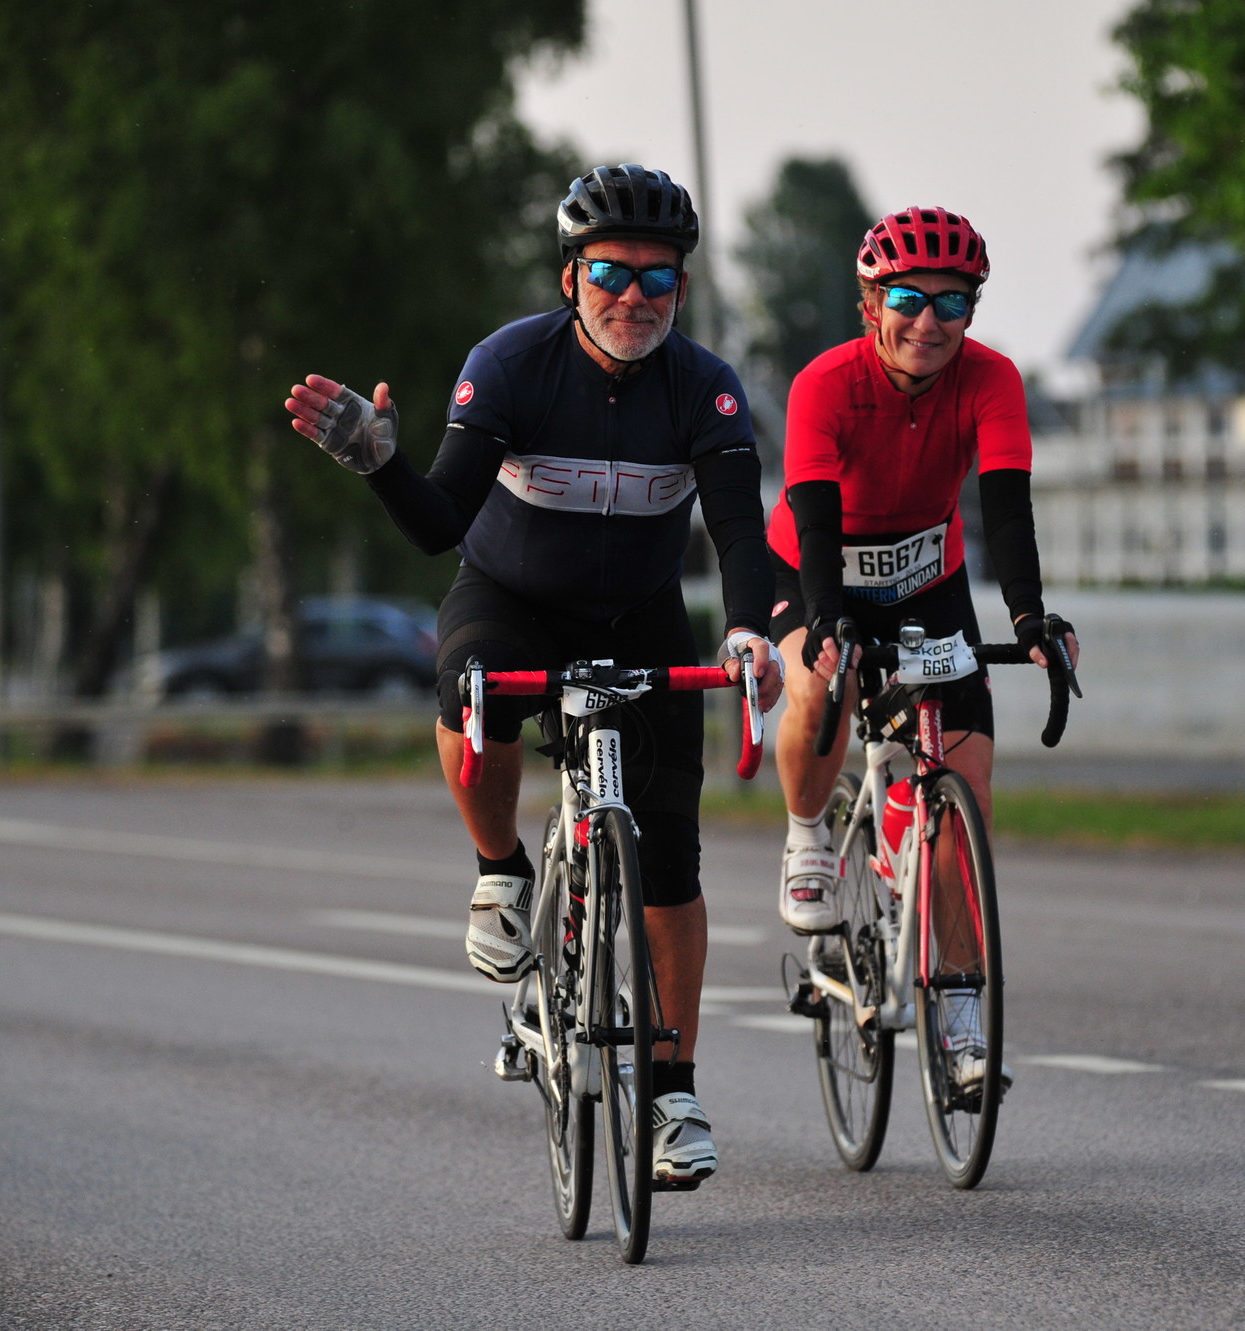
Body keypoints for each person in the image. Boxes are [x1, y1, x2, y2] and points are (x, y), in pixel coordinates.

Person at [284, 164, 781, 1190]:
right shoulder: (510, 364)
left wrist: (746, 632)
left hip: (640, 613)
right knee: (469, 686)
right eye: (610, 273)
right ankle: (503, 869)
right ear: (569, 278)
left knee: (673, 859)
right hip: (510, 595)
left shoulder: (707, 387)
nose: (634, 296)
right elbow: (438, 525)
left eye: (657, 278)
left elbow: (741, 532)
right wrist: (380, 464)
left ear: (681, 288)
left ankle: (673, 1087)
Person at [766, 206, 1077, 1092]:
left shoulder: (992, 378)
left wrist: (1029, 617)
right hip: (817, 564)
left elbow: (1006, 505)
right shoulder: (825, 383)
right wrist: (827, 620)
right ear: (871, 305)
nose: (929, 322)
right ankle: (808, 834)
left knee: (965, 790)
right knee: (818, 686)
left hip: (924, 576)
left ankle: (963, 1016)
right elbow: (814, 512)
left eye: (953, 302)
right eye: (908, 299)